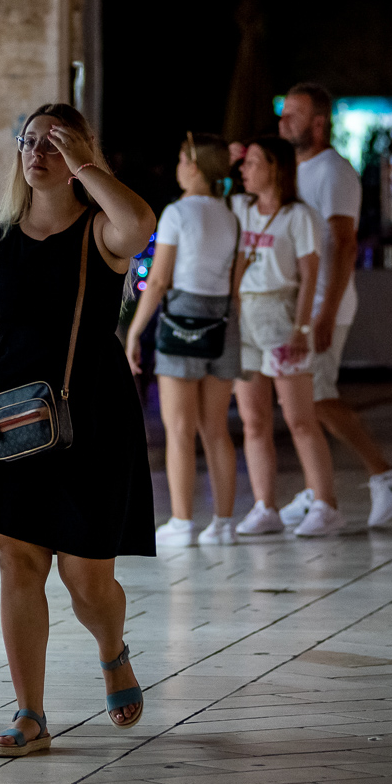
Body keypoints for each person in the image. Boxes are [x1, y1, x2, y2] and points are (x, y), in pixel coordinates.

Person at [0, 103, 159, 758]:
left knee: (87, 580)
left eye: (54, 144)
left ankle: (111, 647)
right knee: (20, 565)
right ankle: (29, 714)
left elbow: (141, 223)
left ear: (80, 154)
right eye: (31, 142)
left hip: (91, 419)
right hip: (10, 421)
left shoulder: (101, 233)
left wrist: (85, 166)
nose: (38, 153)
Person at [278, 83, 392, 528]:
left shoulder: (333, 172)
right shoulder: (293, 170)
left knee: (318, 399)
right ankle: (315, 487)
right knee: (301, 402)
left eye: (295, 114)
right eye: (284, 112)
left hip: (325, 304)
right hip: (301, 304)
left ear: (319, 124)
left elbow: (345, 243)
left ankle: (385, 474)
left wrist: (325, 311)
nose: (284, 121)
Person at [126, 133, 242, 547]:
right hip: (223, 321)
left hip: (182, 321)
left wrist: (135, 331)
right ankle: (224, 524)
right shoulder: (230, 215)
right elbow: (235, 279)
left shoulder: (176, 212)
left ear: (193, 166)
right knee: (216, 430)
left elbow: (158, 280)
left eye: (180, 160)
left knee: (179, 430)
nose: (176, 167)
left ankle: (182, 521)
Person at [229, 137, 343, 538]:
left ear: (275, 168)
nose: (245, 170)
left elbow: (310, 275)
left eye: (254, 163)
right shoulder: (239, 207)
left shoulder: (300, 215)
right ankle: (265, 505)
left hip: (281, 313)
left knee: (299, 418)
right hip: (244, 315)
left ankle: (325, 503)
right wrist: (229, 159)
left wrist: (302, 326)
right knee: (253, 419)